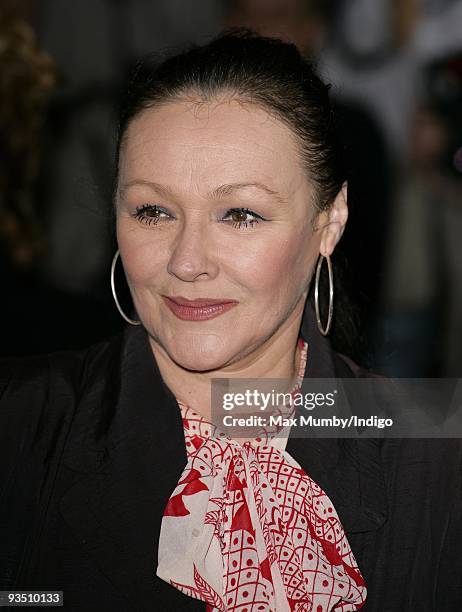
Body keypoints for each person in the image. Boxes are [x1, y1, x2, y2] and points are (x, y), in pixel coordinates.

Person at [0, 30, 461, 612]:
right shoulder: (18, 424)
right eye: (153, 211)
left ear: (330, 220)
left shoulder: (438, 447)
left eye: (240, 214)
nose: (187, 261)